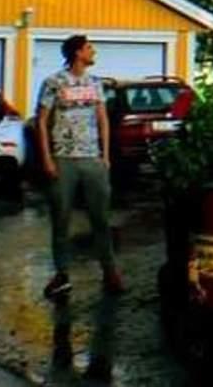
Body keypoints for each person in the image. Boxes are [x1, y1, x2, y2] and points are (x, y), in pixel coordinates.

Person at [36, 34, 125, 298]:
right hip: (63, 160)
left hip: (92, 159)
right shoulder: (53, 82)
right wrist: (47, 159)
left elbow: (102, 119)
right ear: (77, 53)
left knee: (101, 218)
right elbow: (41, 121)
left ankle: (110, 272)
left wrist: (105, 155)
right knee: (61, 219)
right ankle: (62, 275)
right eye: (89, 48)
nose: (93, 51)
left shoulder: (95, 83)